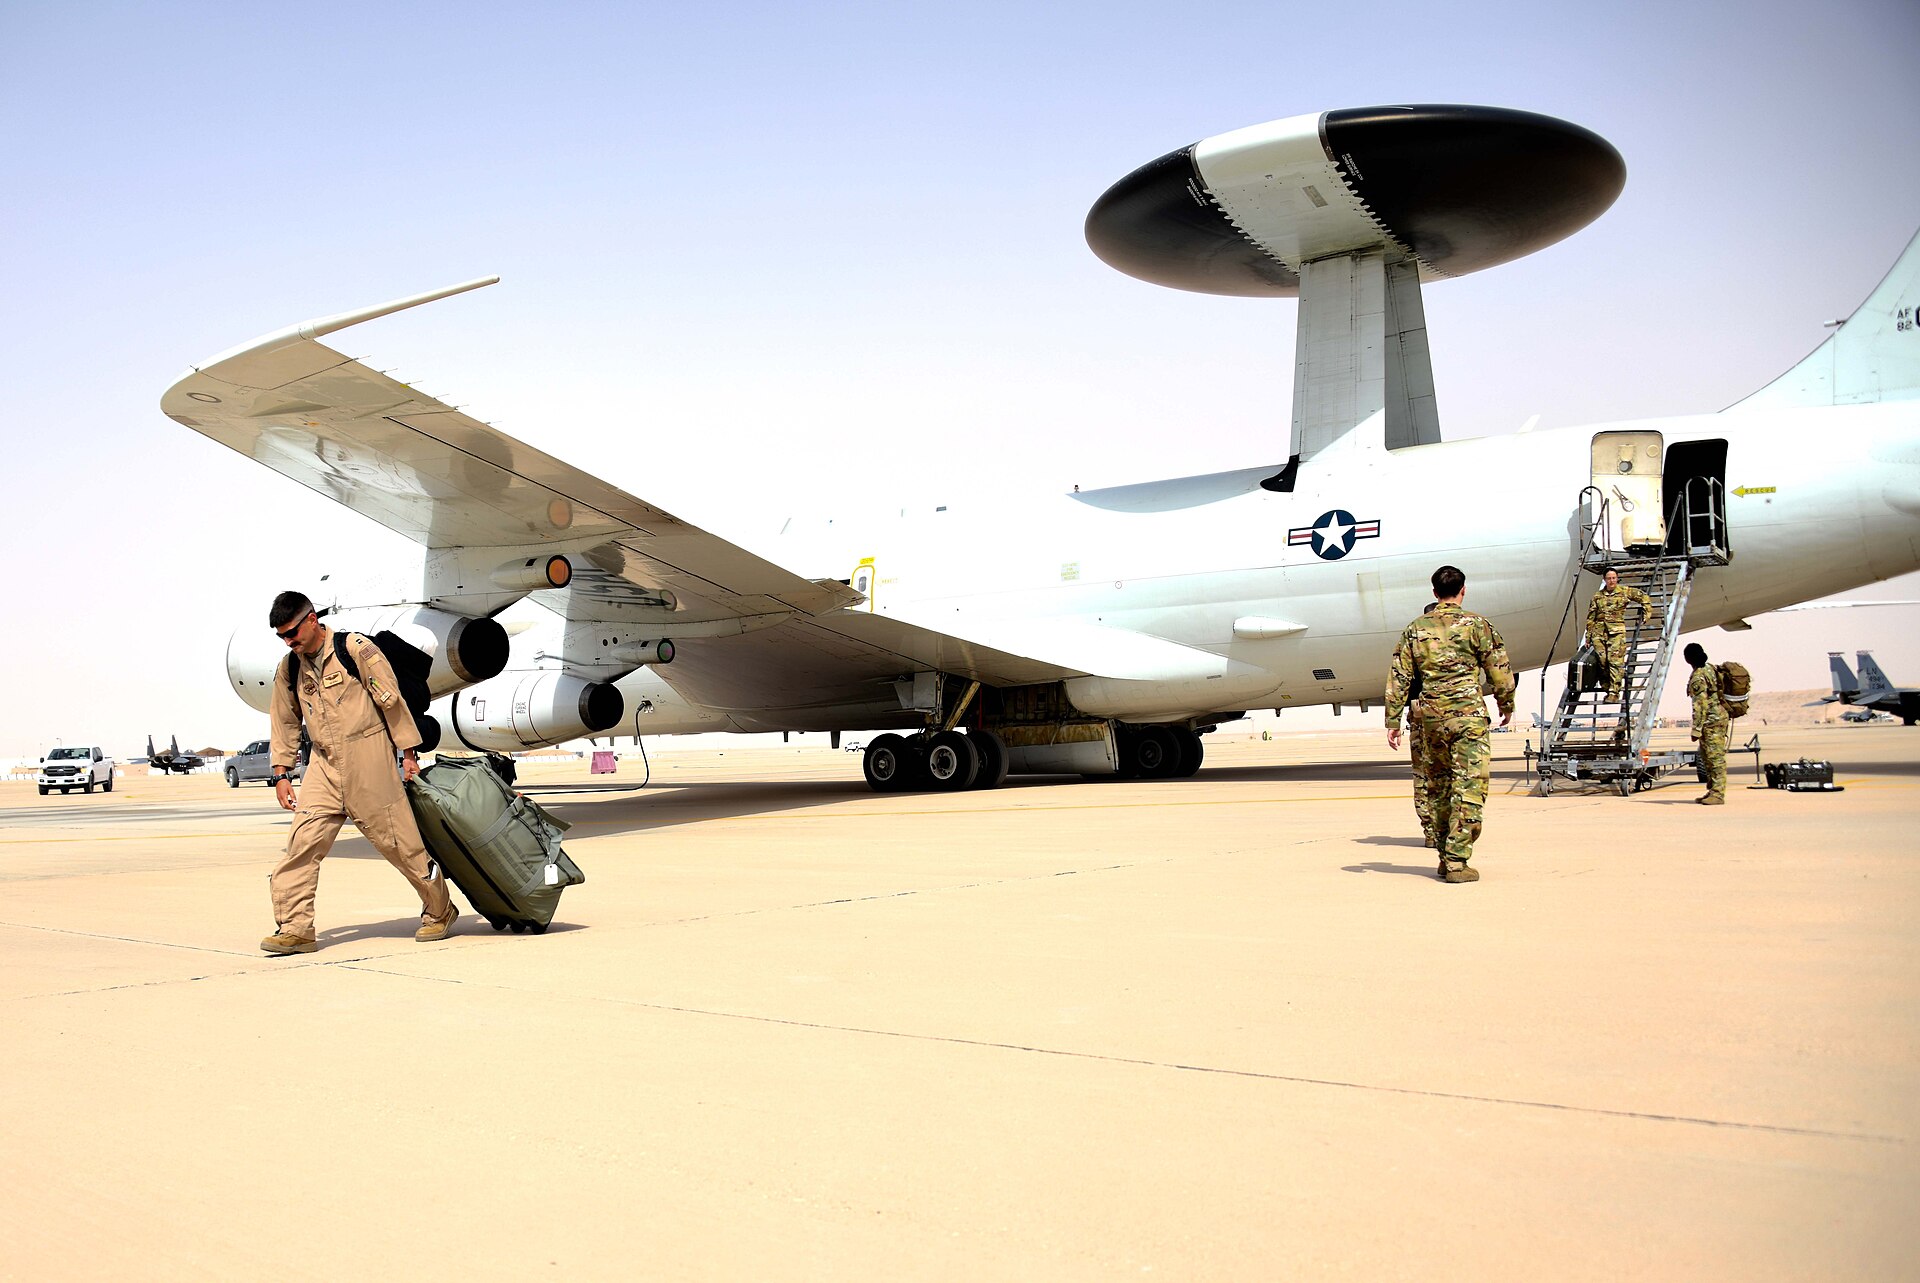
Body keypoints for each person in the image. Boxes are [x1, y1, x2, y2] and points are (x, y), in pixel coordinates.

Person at [260, 591, 457, 954]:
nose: (289, 642)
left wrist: (408, 752)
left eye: (292, 633)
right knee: (301, 846)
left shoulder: (355, 649)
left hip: (369, 756)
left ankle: (440, 910)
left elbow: (390, 700)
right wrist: (282, 772)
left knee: (400, 845)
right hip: (323, 764)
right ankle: (296, 928)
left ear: (311, 620)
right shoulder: (290, 668)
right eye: (282, 637)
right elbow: (284, 719)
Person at [1386, 566, 1516, 882]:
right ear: (1463, 590)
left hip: (1430, 720)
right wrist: (1506, 704)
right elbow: (1499, 669)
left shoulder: (1414, 629)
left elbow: (1399, 675)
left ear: (1434, 593)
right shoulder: (1477, 625)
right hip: (1467, 717)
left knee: (1439, 788)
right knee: (1470, 786)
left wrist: (1392, 719)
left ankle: (1447, 857)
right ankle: (1457, 860)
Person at [1584, 567, 1653, 702]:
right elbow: (1591, 617)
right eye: (1609, 578)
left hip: (1616, 633)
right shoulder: (1597, 596)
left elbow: (1642, 597)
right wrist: (1588, 636)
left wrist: (1647, 612)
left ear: (1617, 578)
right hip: (1599, 633)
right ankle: (1606, 686)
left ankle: (1614, 692)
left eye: (1614, 578)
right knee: (1602, 661)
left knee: (1615, 661)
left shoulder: (1624, 592)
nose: (1611, 581)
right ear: (1604, 580)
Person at [1404, 602, 1440, 848]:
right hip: (1426, 716)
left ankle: (1435, 830)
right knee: (1429, 775)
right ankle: (1434, 830)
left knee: (1427, 775)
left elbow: (1399, 679)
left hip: (1428, 716)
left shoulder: (1413, 641)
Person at [1684, 641, 1728, 805]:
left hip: (1711, 721)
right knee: (1708, 757)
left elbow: (1700, 705)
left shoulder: (1698, 677)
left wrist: (1696, 729)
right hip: (1717, 718)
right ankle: (1712, 791)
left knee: (1714, 758)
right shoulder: (1710, 668)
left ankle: (1718, 794)